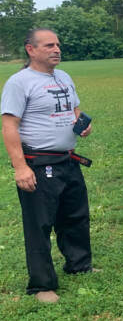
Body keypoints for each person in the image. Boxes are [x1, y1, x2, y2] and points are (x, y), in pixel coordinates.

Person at [1, 28, 95, 304]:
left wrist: (83, 124)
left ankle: (79, 264)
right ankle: (42, 286)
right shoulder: (19, 83)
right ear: (31, 49)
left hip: (67, 159)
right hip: (38, 163)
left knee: (76, 216)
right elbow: (9, 125)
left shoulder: (64, 77)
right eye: (49, 45)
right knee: (39, 225)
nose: (57, 49)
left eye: (58, 45)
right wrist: (21, 168)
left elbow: (75, 110)